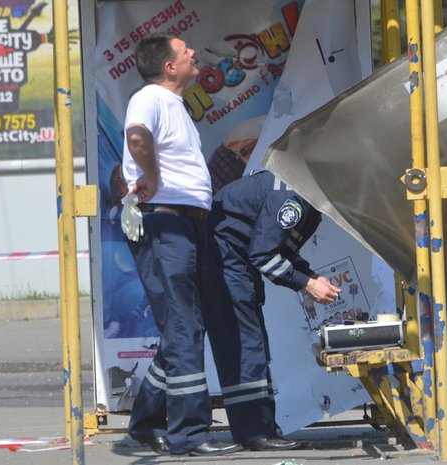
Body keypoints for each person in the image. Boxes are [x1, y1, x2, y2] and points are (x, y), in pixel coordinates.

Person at [121, 32, 241, 457]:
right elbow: (138, 138)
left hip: (187, 225)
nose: (193, 52)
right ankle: (189, 433)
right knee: (184, 328)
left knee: (183, 330)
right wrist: (152, 176)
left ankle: (146, 421)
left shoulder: (174, 104)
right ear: (170, 67)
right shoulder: (149, 98)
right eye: (185, 50)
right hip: (166, 226)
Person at [204, 170, 341, 451]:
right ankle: (255, 432)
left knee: (249, 345)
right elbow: (264, 256)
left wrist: (311, 277)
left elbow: (280, 250)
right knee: (246, 345)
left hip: (232, 260)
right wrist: (308, 284)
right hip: (225, 260)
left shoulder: (305, 199)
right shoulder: (292, 201)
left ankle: (260, 428)